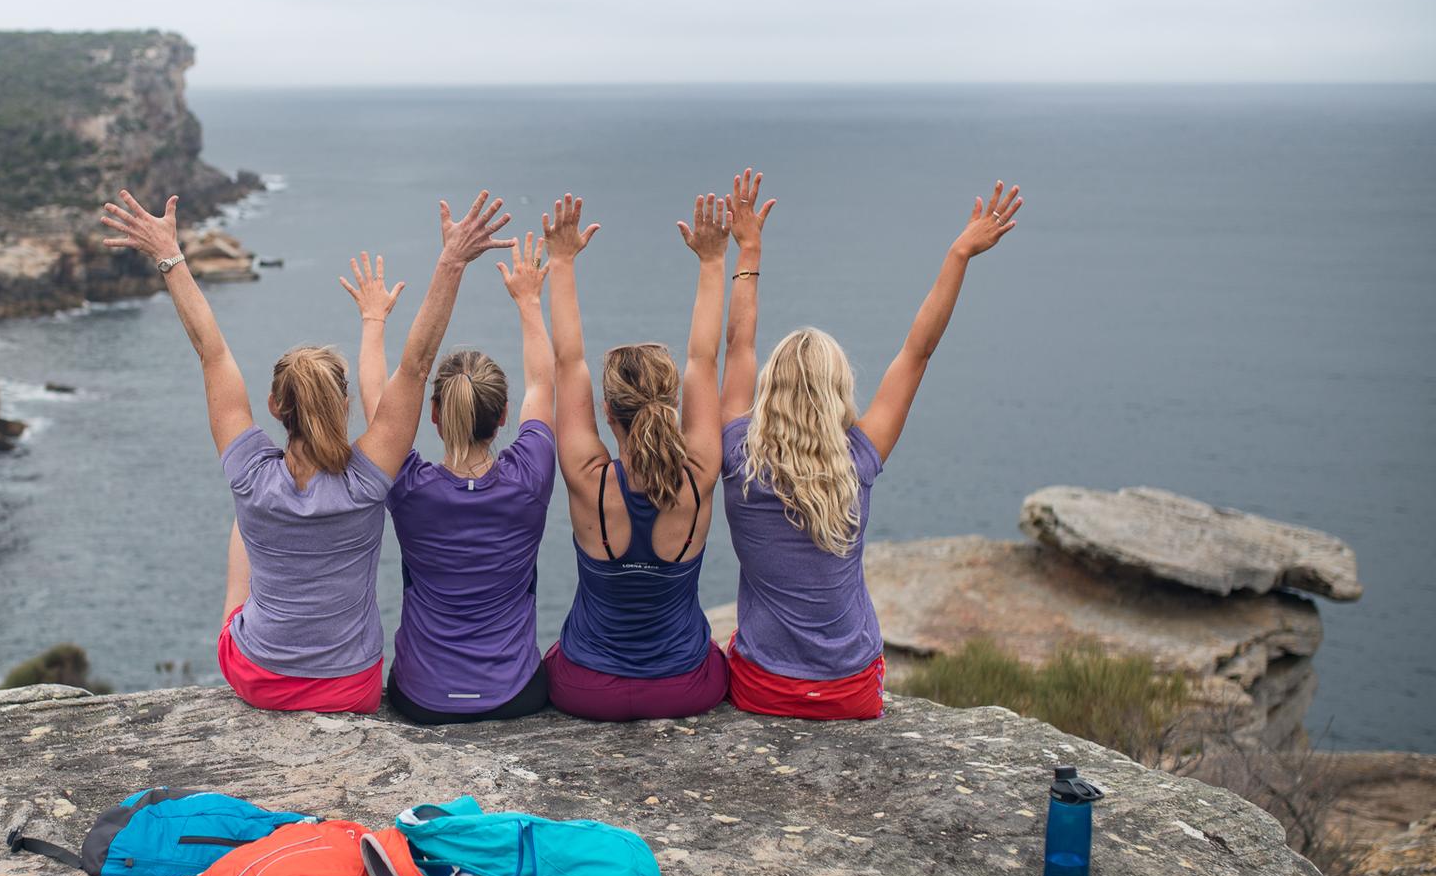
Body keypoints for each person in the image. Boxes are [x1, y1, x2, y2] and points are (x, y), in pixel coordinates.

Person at [100, 188, 513, 713]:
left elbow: (212, 352)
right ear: (344, 407)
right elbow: (416, 365)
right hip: (349, 686)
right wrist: (452, 261)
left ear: (275, 406)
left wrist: (169, 256)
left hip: (257, 676)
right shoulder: (368, 479)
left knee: (241, 518)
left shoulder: (250, 474)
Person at [720, 172, 1026, 719]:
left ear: (769, 390)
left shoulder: (738, 455)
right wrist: (959, 254)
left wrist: (748, 249)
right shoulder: (858, 458)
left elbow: (738, 344)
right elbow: (918, 351)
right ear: (838, 389)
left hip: (763, 689)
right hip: (850, 692)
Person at [343, 235, 558, 725]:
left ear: (434, 417)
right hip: (514, 693)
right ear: (504, 414)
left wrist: (373, 320)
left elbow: (380, 402)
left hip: (422, 697)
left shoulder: (408, 486)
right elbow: (544, 383)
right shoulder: (531, 475)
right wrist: (528, 300)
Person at [540, 191, 732, 721]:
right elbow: (703, 357)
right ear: (673, 403)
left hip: (587, 687)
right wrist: (714, 261)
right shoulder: (700, 474)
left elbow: (568, 361)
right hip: (685, 687)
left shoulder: (587, 478)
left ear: (605, 411)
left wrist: (561, 261)